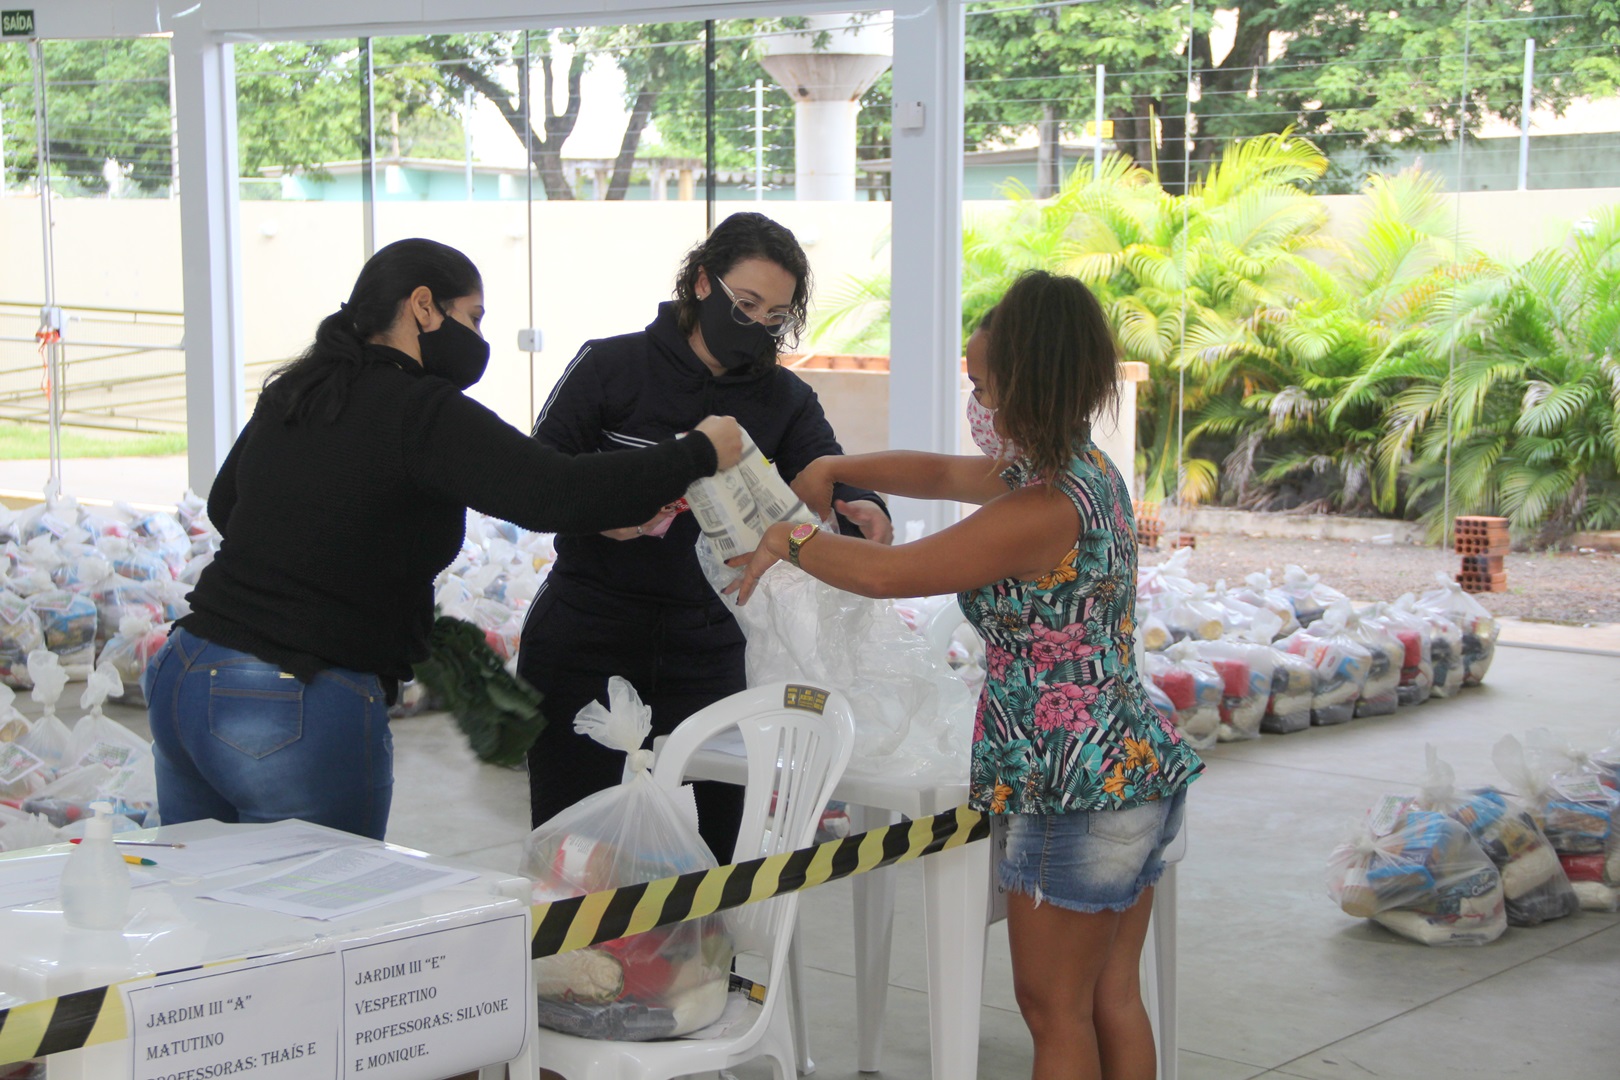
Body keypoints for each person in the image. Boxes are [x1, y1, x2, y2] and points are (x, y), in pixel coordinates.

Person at [727, 270, 1203, 1080]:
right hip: (1128, 766)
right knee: (1111, 997)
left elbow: (892, 574)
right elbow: (943, 474)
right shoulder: (1080, 473)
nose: (975, 404)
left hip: (1071, 785)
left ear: (1027, 384)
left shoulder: (1039, 510)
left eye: (982, 386)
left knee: (1053, 1010)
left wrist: (791, 540)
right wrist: (836, 467)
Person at [145, 238, 744, 842]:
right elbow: (551, 490)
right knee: (314, 897)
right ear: (424, 306)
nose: (479, 337)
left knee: (208, 895)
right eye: (474, 317)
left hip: (186, 671)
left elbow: (226, 504)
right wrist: (697, 451)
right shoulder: (420, 409)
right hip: (295, 692)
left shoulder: (301, 387)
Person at [517, 212, 892, 860]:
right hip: (587, 635)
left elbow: (826, 467)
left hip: (711, 651)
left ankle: (708, 936)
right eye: (744, 305)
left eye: (775, 316)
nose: (757, 325)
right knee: (574, 856)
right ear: (700, 283)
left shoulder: (784, 398)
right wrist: (600, 508)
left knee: (715, 861)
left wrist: (864, 503)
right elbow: (534, 479)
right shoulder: (612, 367)